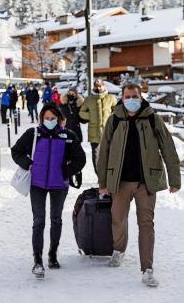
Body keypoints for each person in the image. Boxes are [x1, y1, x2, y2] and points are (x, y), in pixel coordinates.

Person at [97, 83, 181, 288]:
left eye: (135, 96)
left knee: (146, 224)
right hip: (120, 181)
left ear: (141, 97)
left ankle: (147, 269)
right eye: (128, 96)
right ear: (122, 98)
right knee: (117, 219)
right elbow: (104, 151)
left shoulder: (152, 118)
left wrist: (174, 179)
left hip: (146, 182)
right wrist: (103, 183)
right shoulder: (115, 119)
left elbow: (168, 148)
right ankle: (119, 250)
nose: (131, 99)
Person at [11, 103, 86, 278]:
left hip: (59, 185)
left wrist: (66, 172)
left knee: (56, 219)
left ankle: (52, 255)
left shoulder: (68, 136)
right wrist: (28, 164)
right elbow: (16, 151)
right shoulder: (33, 134)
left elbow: (80, 159)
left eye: (53, 118)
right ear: (42, 118)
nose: (50, 121)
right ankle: (37, 260)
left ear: (59, 119)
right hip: (37, 184)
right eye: (47, 118)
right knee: (38, 221)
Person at [78, 79, 116, 174]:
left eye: (100, 86)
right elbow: (81, 112)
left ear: (104, 86)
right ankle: (99, 177)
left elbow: (117, 111)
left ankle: (109, 176)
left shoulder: (111, 98)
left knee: (109, 155)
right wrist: (91, 116)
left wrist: (110, 118)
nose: (98, 88)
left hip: (108, 132)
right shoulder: (89, 99)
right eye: (96, 86)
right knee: (96, 156)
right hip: (94, 133)